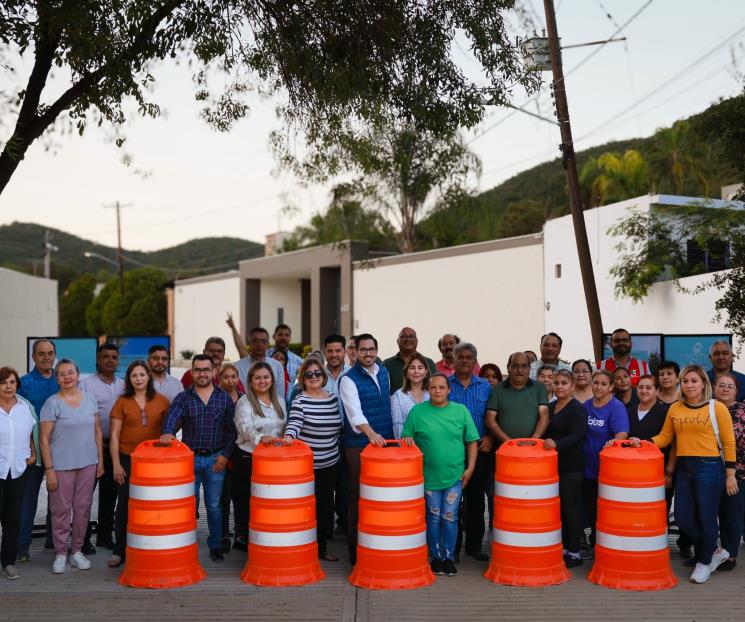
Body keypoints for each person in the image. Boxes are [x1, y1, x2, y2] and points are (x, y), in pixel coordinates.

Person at [629, 365, 736, 584]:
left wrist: (730, 474)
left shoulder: (717, 408)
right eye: (685, 381)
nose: (689, 385)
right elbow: (665, 438)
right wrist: (645, 443)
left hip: (710, 466)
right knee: (683, 519)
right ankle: (714, 549)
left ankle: (704, 562)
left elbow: (728, 442)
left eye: (694, 381)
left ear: (703, 383)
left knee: (707, 517)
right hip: (684, 468)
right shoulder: (676, 408)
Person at [160, 354, 236, 562]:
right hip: (189, 460)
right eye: (198, 370)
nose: (202, 373)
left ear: (213, 372)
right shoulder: (183, 398)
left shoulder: (223, 398)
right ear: (192, 372)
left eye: (206, 369)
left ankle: (216, 544)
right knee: (188, 505)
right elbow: (171, 419)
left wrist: (225, 456)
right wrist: (167, 432)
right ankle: (184, 542)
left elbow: (232, 431)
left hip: (215, 460)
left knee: (213, 505)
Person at [402, 374, 479, 577]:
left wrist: (470, 468)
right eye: (433, 387)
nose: (437, 391)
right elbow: (406, 439)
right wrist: (408, 441)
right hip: (428, 476)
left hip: (455, 475)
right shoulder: (418, 412)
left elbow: (472, 441)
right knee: (434, 517)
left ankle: (448, 557)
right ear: (428, 389)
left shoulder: (460, 411)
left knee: (450, 517)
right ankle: (435, 557)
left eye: (441, 387)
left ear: (448, 390)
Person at [40, 360, 104, 574]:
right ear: (57, 378)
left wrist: (100, 461)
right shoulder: (52, 403)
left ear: (77, 375)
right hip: (60, 466)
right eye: (61, 374)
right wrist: (49, 470)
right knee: (60, 510)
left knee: (83, 509)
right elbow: (44, 440)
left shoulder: (90, 400)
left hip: (88, 463)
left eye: (70, 372)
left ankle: (77, 551)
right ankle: (60, 553)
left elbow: (96, 432)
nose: (66, 377)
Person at [338, 333, 393, 564]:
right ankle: (356, 552)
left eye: (372, 349)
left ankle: (380, 546)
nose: (368, 353)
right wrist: (371, 434)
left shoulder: (384, 372)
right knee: (359, 498)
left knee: (381, 498)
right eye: (363, 350)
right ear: (355, 352)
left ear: (377, 350)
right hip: (359, 445)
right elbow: (354, 413)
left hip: (384, 445)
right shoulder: (348, 379)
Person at [108, 360, 170, 568]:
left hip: (154, 463)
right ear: (129, 379)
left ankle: (151, 546)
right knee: (124, 505)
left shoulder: (161, 401)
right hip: (127, 459)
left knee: (152, 505)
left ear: (149, 376)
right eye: (134, 375)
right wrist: (116, 465)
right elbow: (114, 436)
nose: (139, 379)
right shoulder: (122, 402)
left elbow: (168, 432)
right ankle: (120, 550)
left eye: (142, 375)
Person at [283, 358, 343, 561]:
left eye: (318, 373)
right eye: (309, 374)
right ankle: (308, 548)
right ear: (302, 379)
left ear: (324, 376)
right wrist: (289, 437)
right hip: (308, 466)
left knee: (326, 506)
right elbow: (294, 423)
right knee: (308, 507)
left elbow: (339, 427)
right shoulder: (300, 400)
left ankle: (322, 548)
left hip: (331, 463)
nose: (314, 377)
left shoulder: (333, 398)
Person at [232, 361, 286, 552]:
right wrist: (263, 438)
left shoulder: (280, 400)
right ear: (250, 381)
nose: (262, 381)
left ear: (272, 380)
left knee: (268, 501)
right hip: (249, 457)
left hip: (273, 461)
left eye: (266, 377)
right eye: (258, 378)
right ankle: (243, 538)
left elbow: (283, 429)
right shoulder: (244, 402)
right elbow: (245, 429)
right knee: (246, 501)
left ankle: (266, 538)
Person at [448, 342, 493, 562]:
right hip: (452, 451)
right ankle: (452, 548)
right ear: (453, 360)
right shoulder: (444, 385)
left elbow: (495, 415)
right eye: (461, 357)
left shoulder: (486, 386)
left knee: (476, 501)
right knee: (452, 501)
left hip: (479, 450)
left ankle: (474, 547)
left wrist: (491, 436)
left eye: (469, 357)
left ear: (475, 361)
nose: (465, 361)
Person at [79, 342, 124, 552]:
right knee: (86, 496)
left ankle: (105, 537)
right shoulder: (85, 385)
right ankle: (83, 540)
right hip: (90, 447)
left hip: (114, 448)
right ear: (98, 359)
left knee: (110, 495)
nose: (110, 360)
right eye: (106, 356)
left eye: (114, 357)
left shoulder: (123, 385)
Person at [17, 338, 59, 561]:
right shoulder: (23, 383)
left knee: (58, 498)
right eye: (41, 353)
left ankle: (54, 541)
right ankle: (22, 546)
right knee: (28, 498)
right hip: (31, 451)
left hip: (59, 450)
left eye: (50, 353)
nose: (46, 357)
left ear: (54, 356)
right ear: (33, 357)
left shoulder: (62, 381)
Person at [543, 369, 588, 568]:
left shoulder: (578, 408)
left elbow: (578, 435)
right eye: (557, 383)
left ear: (572, 386)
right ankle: (561, 547)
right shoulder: (551, 406)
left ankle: (575, 552)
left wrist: (556, 444)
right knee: (556, 509)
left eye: (564, 383)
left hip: (571, 466)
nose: (560, 386)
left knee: (571, 509)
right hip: (552, 467)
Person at [583, 370, 629, 553]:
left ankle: (602, 546)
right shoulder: (586, 405)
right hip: (586, 466)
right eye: (596, 383)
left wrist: (614, 443)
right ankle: (592, 542)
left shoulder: (616, 407)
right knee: (590, 508)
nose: (598, 387)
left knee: (604, 510)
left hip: (606, 469)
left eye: (603, 384)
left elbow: (622, 434)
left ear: (611, 387)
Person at [0, 367, 37, 580]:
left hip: (18, 471)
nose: (8, 386)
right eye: (4, 382)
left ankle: (8, 562)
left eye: (12, 382)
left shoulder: (25, 408)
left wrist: (32, 453)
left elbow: (30, 433)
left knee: (13, 519)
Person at [713, 374, 745, 571]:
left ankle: (730, 555)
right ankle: (707, 551)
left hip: (739, 471)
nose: (725, 389)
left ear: (736, 391)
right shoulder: (707, 409)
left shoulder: (742, 410)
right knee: (708, 513)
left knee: (731, 513)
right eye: (722, 386)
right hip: (709, 468)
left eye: (730, 386)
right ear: (715, 388)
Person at [485, 352, 549, 444]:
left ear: (529, 368)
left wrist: (532, 441)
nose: (520, 370)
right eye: (515, 366)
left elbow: (544, 417)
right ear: (508, 368)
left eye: (524, 366)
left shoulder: (539, 388)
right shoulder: (497, 389)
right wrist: (510, 442)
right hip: (505, 447)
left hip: (533, 447)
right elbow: (489, 419)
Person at [218, 363, 244, 552]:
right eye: (226, 377)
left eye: (233, 376)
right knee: (223, 497)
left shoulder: (245, 399)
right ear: (220, 379)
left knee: (240, 495)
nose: (230, 380)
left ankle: (240, 533)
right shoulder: (215, 398)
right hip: (221, 454)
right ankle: (224, 534)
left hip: (241, 453)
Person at [233, 327, 287, 403]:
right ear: (249, 343)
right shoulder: (237, 366)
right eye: (255, 341)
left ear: (268, 344)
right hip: (244, 410)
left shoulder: (277, 366)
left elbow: (280, 396)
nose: (259, 344)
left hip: (271, 412)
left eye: (263, 341)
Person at [382, 327, 437, 393]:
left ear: (417, 341)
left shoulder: (429, 363)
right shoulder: (387, 364)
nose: (408, 339)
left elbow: (435, 386)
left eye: (411, 336)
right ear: (397, 341)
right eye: (404, 336)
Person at [182, 337, 246, 393]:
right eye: (211, 350)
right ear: (204, 352)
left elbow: (242, 397)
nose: (215, 354)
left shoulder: (231, 376)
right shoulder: (190, 375)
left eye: (219, 351)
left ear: (224, 354)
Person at [391, 353, 431, 439]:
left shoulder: (432, 393)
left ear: (426, 372)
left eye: (420, 368)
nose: (416, 371)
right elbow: (397, 426)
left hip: (431, 445)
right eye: (412, 368)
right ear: (406, 373)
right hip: (408, 447)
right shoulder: (398, 396)